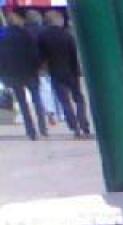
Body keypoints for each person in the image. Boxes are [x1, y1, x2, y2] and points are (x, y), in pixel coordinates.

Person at [36, 10, 90, 138]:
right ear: (58, 20)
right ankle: (84, 124)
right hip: (70, 71)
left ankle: (74, 126)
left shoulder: (42, 36)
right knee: (79, 99)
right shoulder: (67, 35)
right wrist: (77, 71)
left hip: (55, 71)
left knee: (65, 101)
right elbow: (73, 54)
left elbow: (41, 55)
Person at [0, 10, 44, 140]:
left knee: (22, 102)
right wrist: (37, 67)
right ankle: (42, 126)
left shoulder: (2, 36)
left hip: (13, 74)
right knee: (37, 99)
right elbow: (34, 53)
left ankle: (30, 130)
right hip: (30, 72)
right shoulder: (26, 34)